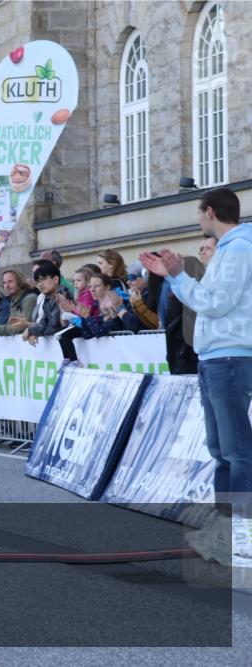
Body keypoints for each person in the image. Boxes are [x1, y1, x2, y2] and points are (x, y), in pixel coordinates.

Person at [140, 187, 252, 565]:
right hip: (216, 357)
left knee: (237, 452)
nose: (198, 220)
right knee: (221, 451)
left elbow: (215, 303)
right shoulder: (229, 248)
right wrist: (175, 279)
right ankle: (226, 529)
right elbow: (211, 299)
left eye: (199, 213)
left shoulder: (238, 248)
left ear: (209, 212)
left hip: (231, 358)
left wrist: (176, 277)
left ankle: (242, 532)